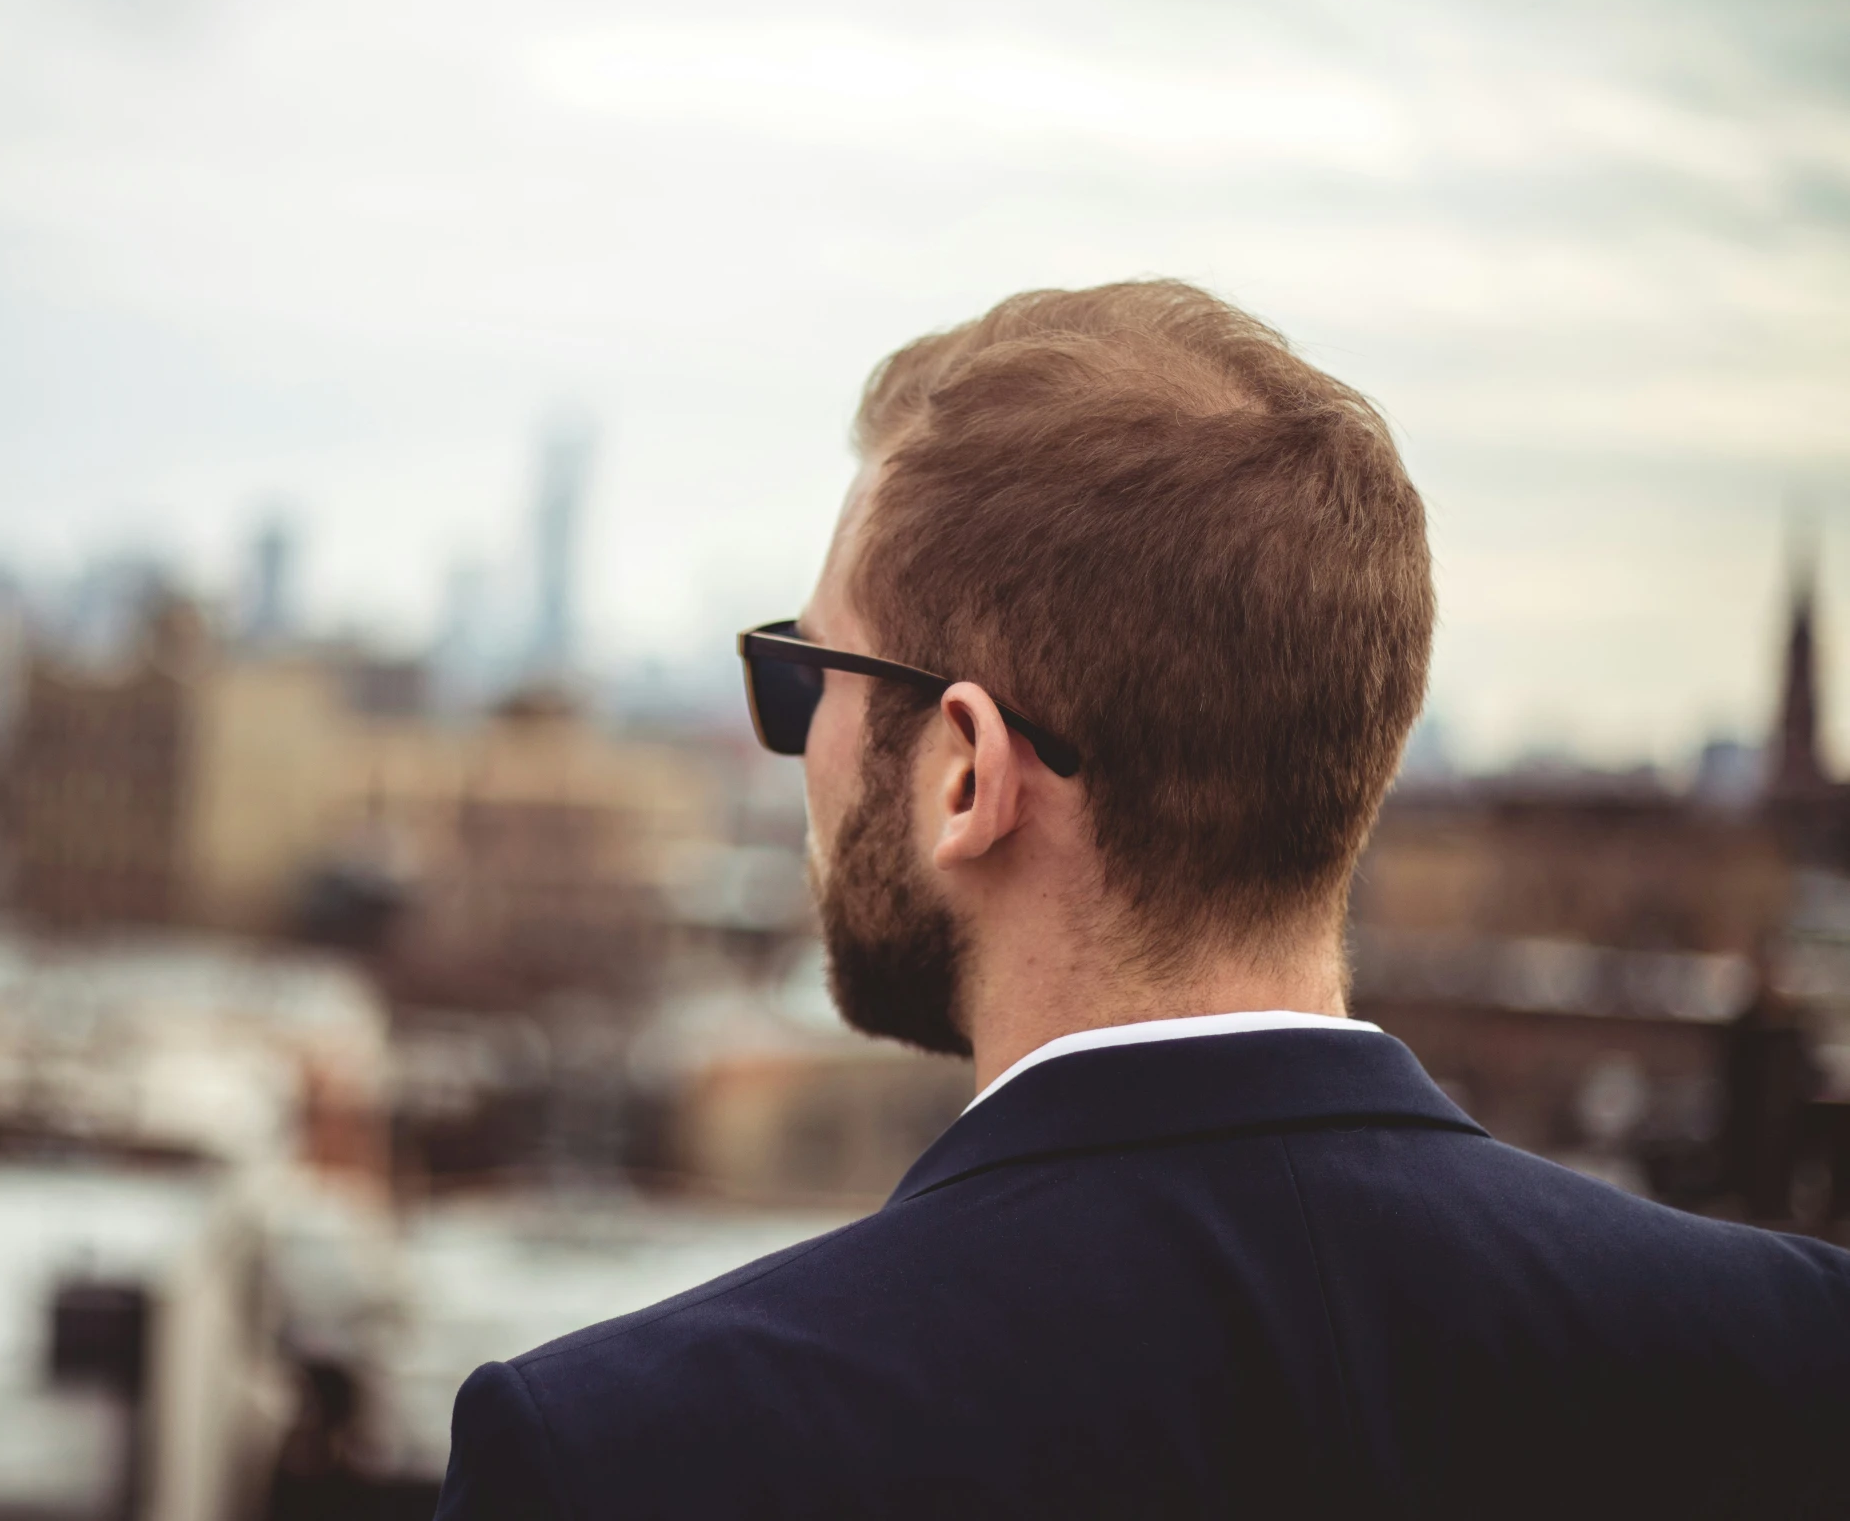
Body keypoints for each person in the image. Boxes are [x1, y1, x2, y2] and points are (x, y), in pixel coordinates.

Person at [434, 283, 1850, 1519]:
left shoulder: (633, 1455)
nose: (789, 740)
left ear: (966, 773)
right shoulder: (1790, 1355)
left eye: (806, 677)